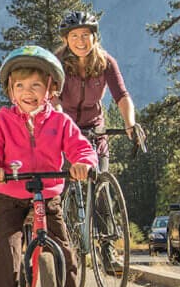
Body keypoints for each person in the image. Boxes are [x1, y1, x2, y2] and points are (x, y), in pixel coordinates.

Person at [0, 46, 98, 287]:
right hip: (11, 194)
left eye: (35, 86)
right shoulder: (2, 121)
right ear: (10, 91)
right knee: (7, 248)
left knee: (63, 248)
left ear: (50, 89)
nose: (27, 92)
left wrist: (83, 163)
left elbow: (81, 147)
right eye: (20, 86)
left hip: (48, 194)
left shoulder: (60, 122)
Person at [54, 10, 145, 172]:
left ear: (94, 37)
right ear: (65, 39)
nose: (80, 41)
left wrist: (130, 123)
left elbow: (122, 95)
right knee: (65, 185)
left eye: (85, 35)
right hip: (66, 128)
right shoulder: (57, 63)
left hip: (95, 129)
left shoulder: (106, 62)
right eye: (74, 36)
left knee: (101, 179)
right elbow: (54, 98)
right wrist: (60, 120)